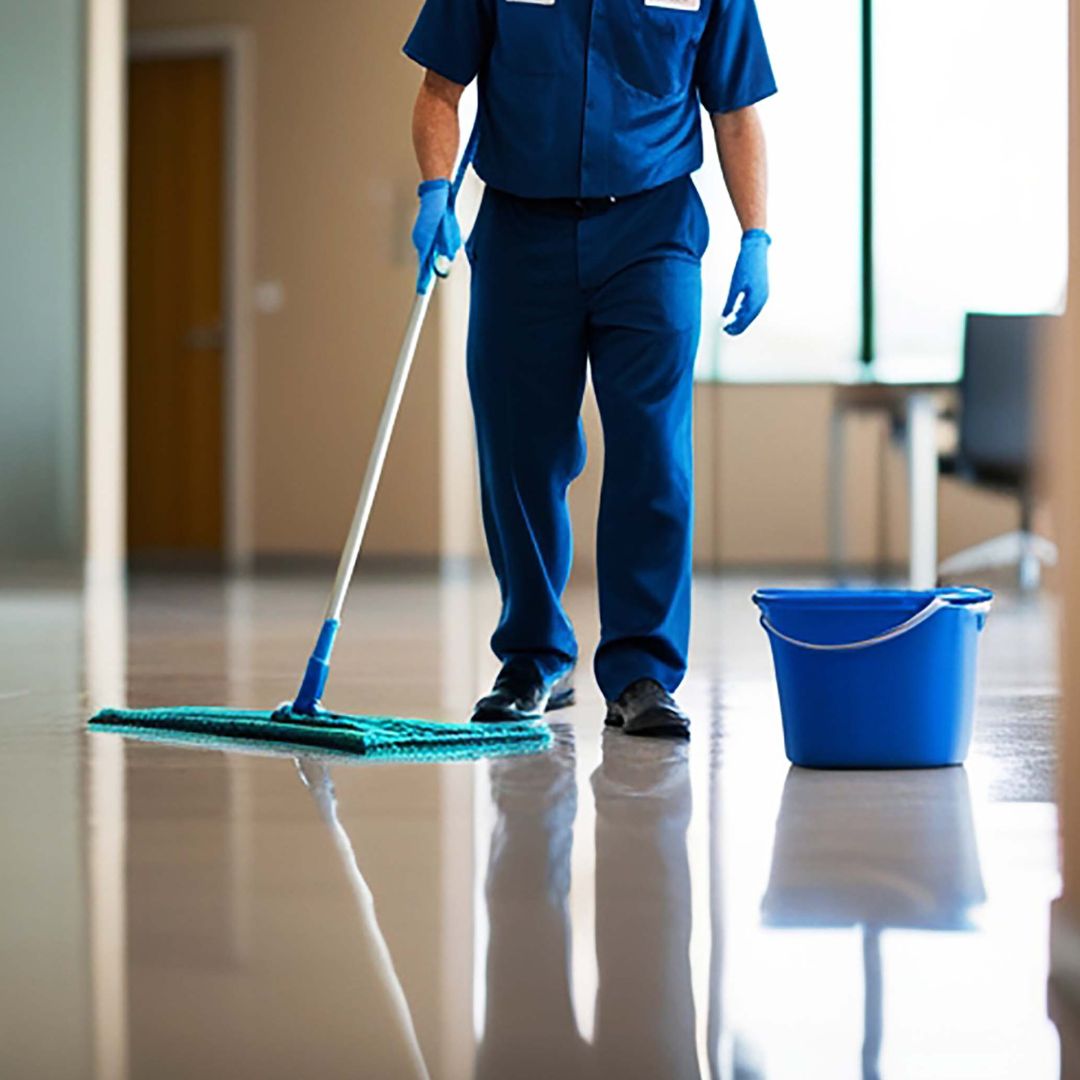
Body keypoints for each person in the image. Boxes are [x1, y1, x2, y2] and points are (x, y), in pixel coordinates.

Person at [404, 0, 775, 738]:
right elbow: (440, 90)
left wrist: (756, 233)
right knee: (519, 448)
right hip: (520, 230)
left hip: (651, 230)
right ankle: (534, 658)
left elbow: (735, 110)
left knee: (652, 452)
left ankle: (641, 671)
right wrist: (435, 188)